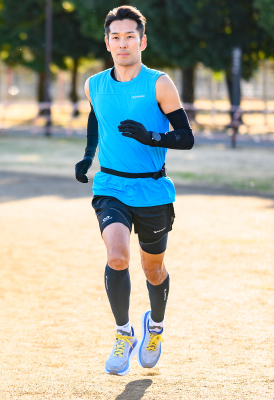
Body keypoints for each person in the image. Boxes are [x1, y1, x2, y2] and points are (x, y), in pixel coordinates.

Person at [74, 5, 195, 376]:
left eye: (130, 36)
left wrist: (151, 136)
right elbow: (97, 118)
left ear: (142, 41)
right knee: (117, 256)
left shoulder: (159, 83)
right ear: (107, 42)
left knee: (153, 270)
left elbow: (186, 138)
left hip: (152, 189)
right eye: (116, 37)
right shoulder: (94, 84)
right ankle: (124, 334)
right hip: (110, 184)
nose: (122, 43)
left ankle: (154, 327)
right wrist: (87, 156)